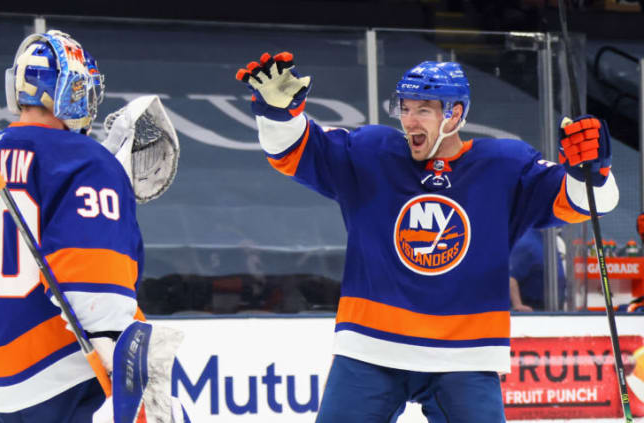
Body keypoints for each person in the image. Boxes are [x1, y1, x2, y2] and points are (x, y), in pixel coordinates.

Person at [236, 53, 619, 422]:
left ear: (454, 114)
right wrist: (277, 115)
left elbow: (584, 202)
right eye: (404, 108)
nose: (408, 119)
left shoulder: (504, 167)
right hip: (372, 349)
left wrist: (593, 171)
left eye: (422, 109)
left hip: (465, 356)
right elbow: (296, 151)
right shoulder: (370, 154)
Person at [0, 30, 183, 422]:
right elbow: (96, 290)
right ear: (70, 88)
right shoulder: (84, 160)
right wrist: (134, 369)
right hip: (52, 370)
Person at [509, 229, 566, 311]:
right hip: (534, 313)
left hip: (552, 310)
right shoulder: (527, 242)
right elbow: (511, 277)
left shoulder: (549, 240)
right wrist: (518, 305)